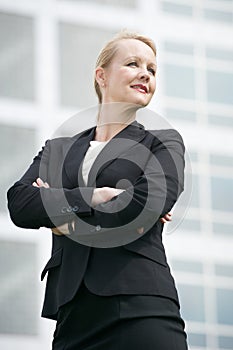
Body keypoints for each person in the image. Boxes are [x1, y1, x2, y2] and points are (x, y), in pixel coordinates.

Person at [7, 31, 188, 349]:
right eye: (133, 63)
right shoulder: (59, 150)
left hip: (141, 311)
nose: (145, 73)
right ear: (101, 76)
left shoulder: (162, 143)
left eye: (152, 69)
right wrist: (92, 196)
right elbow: (20, 204)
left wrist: (60, 215)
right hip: (71, 319)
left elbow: (144, 204)